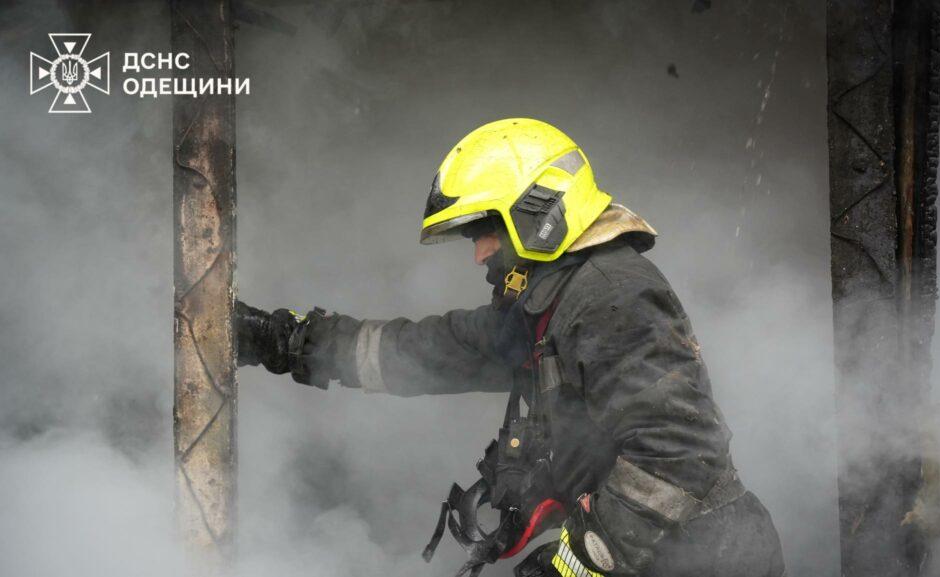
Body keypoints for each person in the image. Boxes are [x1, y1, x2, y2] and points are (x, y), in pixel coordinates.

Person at [236, 118, 786, 577]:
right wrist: (286, 343)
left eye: (484, 232)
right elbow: (436, 350)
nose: (479, 255)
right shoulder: (550, 305)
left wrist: (580, 559)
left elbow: (680, 455)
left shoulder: (612, 294)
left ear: (536, 213)